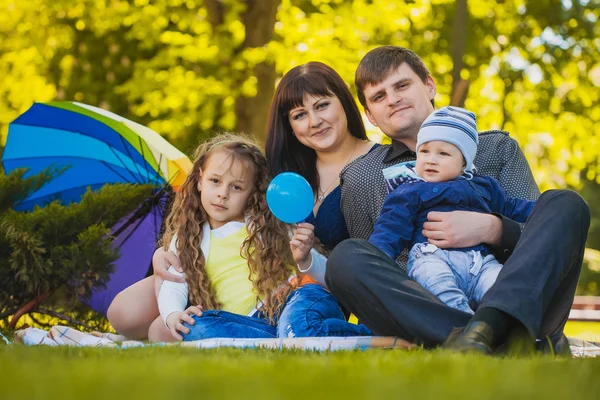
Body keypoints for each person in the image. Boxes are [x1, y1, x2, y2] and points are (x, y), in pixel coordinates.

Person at [325, 45, 590, 355]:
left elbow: (539, 239)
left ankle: (491, 327)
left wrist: (492, 229)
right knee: (346, 258)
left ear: (429, 85)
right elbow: (376, 267)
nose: (393, 99)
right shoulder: (361, 176)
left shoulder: (497, 148)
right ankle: (495, 339)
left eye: (401, 85)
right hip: (428, 299)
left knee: (566, 203)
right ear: (369, 115)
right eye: (378, 96)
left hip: (504, 285)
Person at [369, 106, 535, 315]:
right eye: (425, 151)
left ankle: (503, 323)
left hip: (480, 262)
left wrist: (546, 207)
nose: (431, 159)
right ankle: (462, 324)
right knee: (436, 282)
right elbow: (391, 226)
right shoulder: (410, 190)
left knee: (503, 287)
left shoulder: (485, 186)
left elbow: (511, 207)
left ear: (464, 162)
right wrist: (376, 256)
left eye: (443, 153)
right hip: (431, 256)